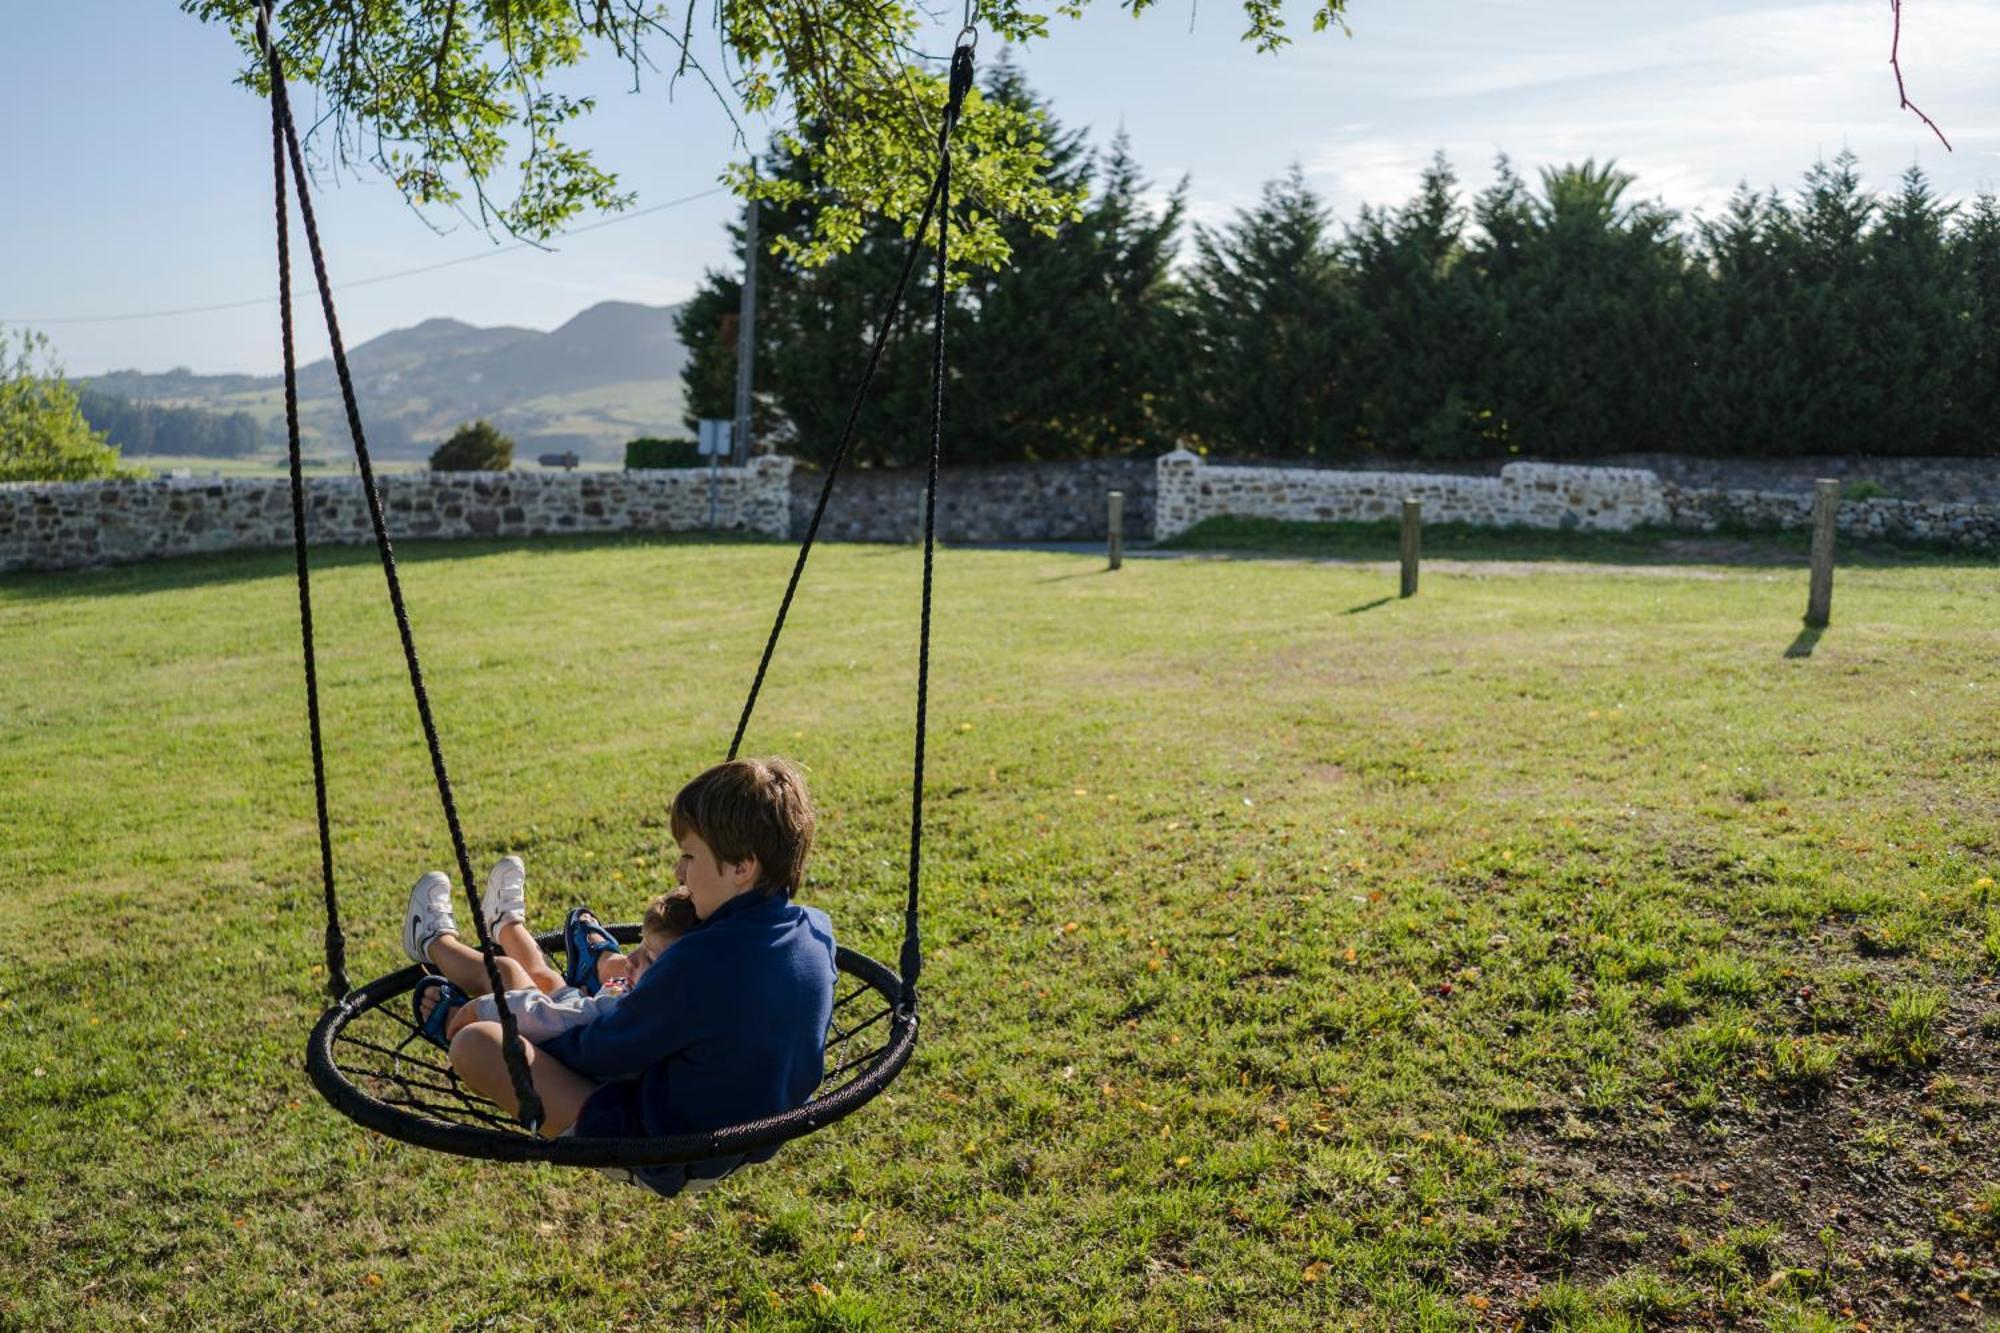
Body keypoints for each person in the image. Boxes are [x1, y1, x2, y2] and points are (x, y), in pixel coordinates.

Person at [404, 757, 837, 1196]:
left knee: (478, 1042)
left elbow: (601, 1050)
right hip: (752, 1132)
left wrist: (515, 1025)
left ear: (743, 867)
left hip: (663, 1150)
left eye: (689, 855)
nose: (679, 872)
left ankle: (447, 960)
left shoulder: (700, 963)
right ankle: (475, 942)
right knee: (522, 980)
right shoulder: (817, 930)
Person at [406, 857, 697, 1047]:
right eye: (640, 946)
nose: (631, 958)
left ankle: (433, 942)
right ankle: (505, 923)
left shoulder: (630, 1015)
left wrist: (479, 1009)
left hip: (551, 1047)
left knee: (506, 971)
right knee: (544, 976)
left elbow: (545, 1018)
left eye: (648, 957)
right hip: (576, 1010)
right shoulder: (663, 998)